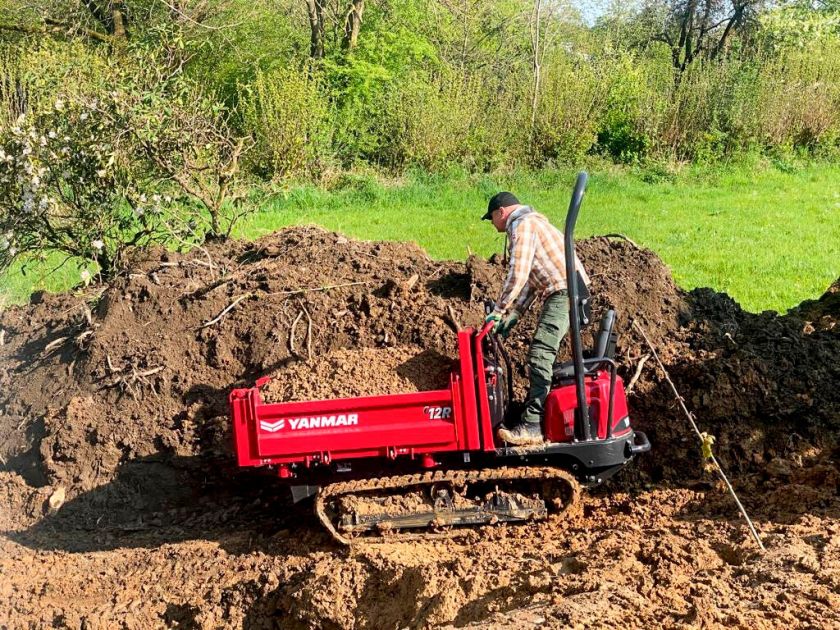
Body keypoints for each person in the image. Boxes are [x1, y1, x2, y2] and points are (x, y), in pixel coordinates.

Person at [483, 191, 590, 446]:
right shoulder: (532, 223)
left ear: (501, 212)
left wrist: (498, 311)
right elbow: (532, 280)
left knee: (540, 355)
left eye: (491, 218)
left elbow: (518, 274)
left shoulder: (522, 226)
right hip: (567, 290)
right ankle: (535, 416)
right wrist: (516, 314)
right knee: (541, 353)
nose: (492, 224)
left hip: (564, 292)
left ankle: (533, 425)